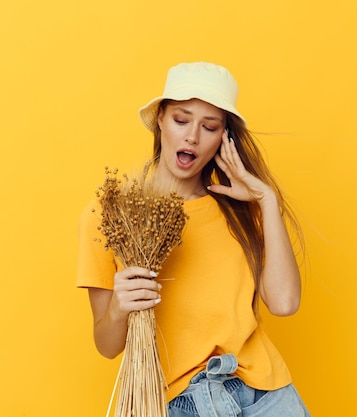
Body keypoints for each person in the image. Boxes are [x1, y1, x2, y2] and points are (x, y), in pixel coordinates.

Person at [76, 62, 310, 416]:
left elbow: (285, 302)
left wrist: (268, 200)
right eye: (181, 120)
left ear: (223, 137)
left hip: (265, 397)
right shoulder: (108, 214)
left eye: (209, 126)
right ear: (160, 120)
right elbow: (107, 346)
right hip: (180, 404)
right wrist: (119, 307)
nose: (192, 137)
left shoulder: (241, 209)